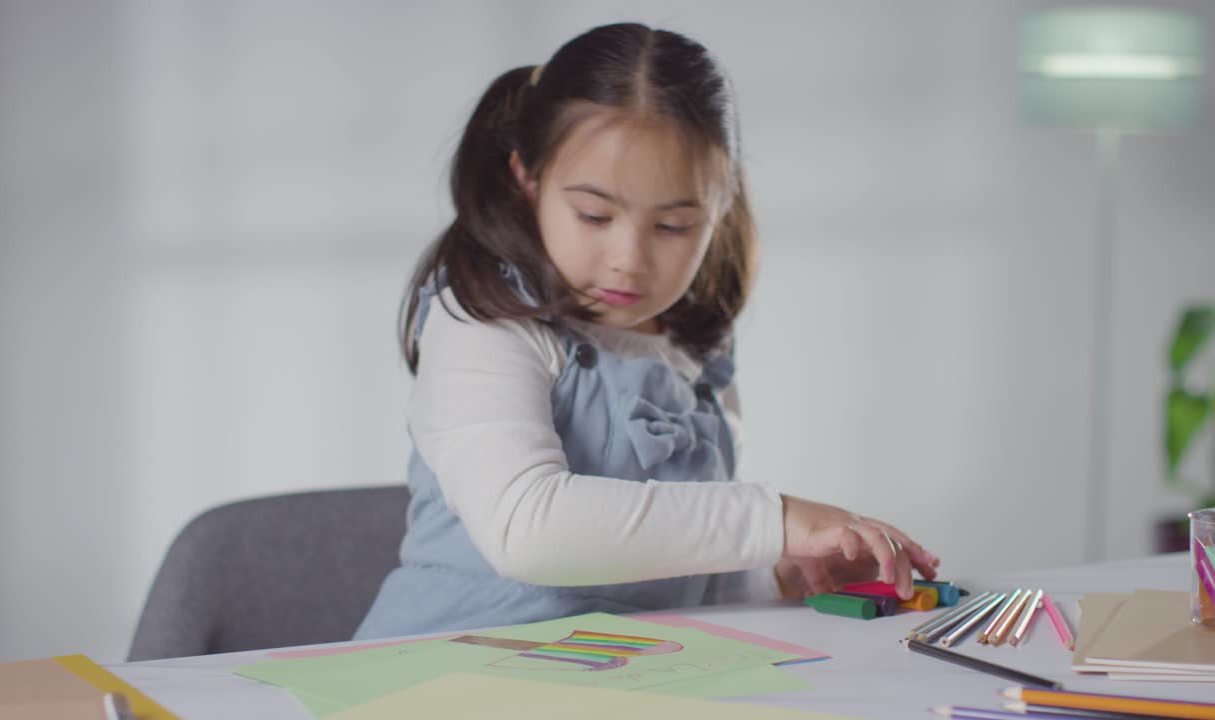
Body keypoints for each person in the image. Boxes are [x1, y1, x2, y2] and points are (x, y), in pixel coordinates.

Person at [355, 22, 939, 640]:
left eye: (674, 226)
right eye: (595, 215)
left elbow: (682, 549)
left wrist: (779, 569)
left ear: (720, 209)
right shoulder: (483, 318)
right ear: (527, 180)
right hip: (446, 671)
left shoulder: (695, 347)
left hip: (628, 671)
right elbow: (526, 530)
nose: (628, 258)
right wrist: (776, 520)